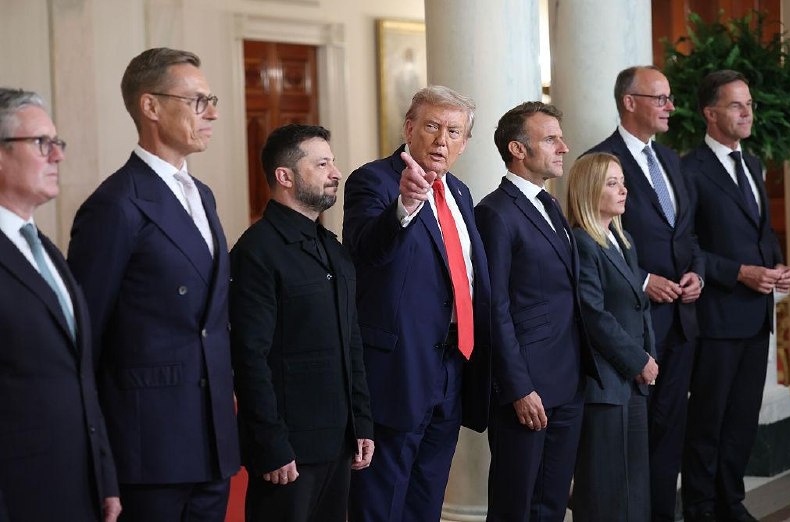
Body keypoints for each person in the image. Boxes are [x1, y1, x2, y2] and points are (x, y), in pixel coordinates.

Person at [67, 48, 239, 521]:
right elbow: (85, 336)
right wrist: (95, 456)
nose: (212, 113)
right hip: (149, 445)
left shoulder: (202, 195)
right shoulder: (115, 205)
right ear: (151, 106)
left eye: (212, 101)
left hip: (212, 439)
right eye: (198, 101)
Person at [343, 85, 491, 521]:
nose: (442, 140)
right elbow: (365, 250)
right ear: (409, 129)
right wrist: (404, 206)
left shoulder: (460, 192)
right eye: (431, 127)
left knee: (427, 499)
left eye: (453, 131)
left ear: (465, 143)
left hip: (452, 365)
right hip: (398, 368)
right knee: (381, 502)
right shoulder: (373, 180)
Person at [229, 124, 374, 521]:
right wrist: (270, 443)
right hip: (289, 451)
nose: (336, 173)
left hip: (339, 442)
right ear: (285, 176)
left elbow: (351, 343)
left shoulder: (332, 249)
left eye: (333, 162)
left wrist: (361, 423)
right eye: (322, 164)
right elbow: (248, 358)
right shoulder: (257, 251)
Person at [584, 65, 704, 521]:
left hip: (681, 321)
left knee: (669, 436)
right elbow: (591, 239)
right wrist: (642, 280)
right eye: (661, 98)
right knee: (631, 445)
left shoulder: (672, 160)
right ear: (630, 102)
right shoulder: (600, 161)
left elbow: (687, 235)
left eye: (669, 98)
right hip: (631, 330)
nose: (670, 106)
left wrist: (697, 274)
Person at [680, 69, 790, 522]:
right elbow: (687, 246)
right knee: (708, 421)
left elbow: (759, 231)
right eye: (736, 105)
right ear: (710, 113)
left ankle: (731, 503)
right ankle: (700, 508)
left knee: (742, 421)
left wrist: (778, 264)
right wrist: (739, 273)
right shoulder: (689, 170)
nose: (747, 112)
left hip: (755, 315)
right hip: (716, 316)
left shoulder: (752, 163)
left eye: (749, 104)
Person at [0, 88, 121, 521]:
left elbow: (79, 375)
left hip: (77, 489)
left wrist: (104, 477)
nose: (58, 156)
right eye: (41, 143)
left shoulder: (45, 251)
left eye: (57, 142)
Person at [475, 101, 600, 521]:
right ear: (518, 149)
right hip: (527, 386)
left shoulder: (550, 204)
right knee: (514, 506)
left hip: (567, 378)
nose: (564, 147)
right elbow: (494, 307)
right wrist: (518, 388)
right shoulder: (494, 212)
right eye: (551, 139)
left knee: (551, 504)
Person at [567, 152, 658, 522]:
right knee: (604, 492)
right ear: (591, 190)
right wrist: (638, 360)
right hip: (604, 385)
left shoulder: (623, 240)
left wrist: (648, 358)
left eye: (622, 182)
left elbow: (640, 305)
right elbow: (593, 315)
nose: (623, 190)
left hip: (633, 381)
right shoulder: (582, 242)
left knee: (635, 488)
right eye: (612, 183)